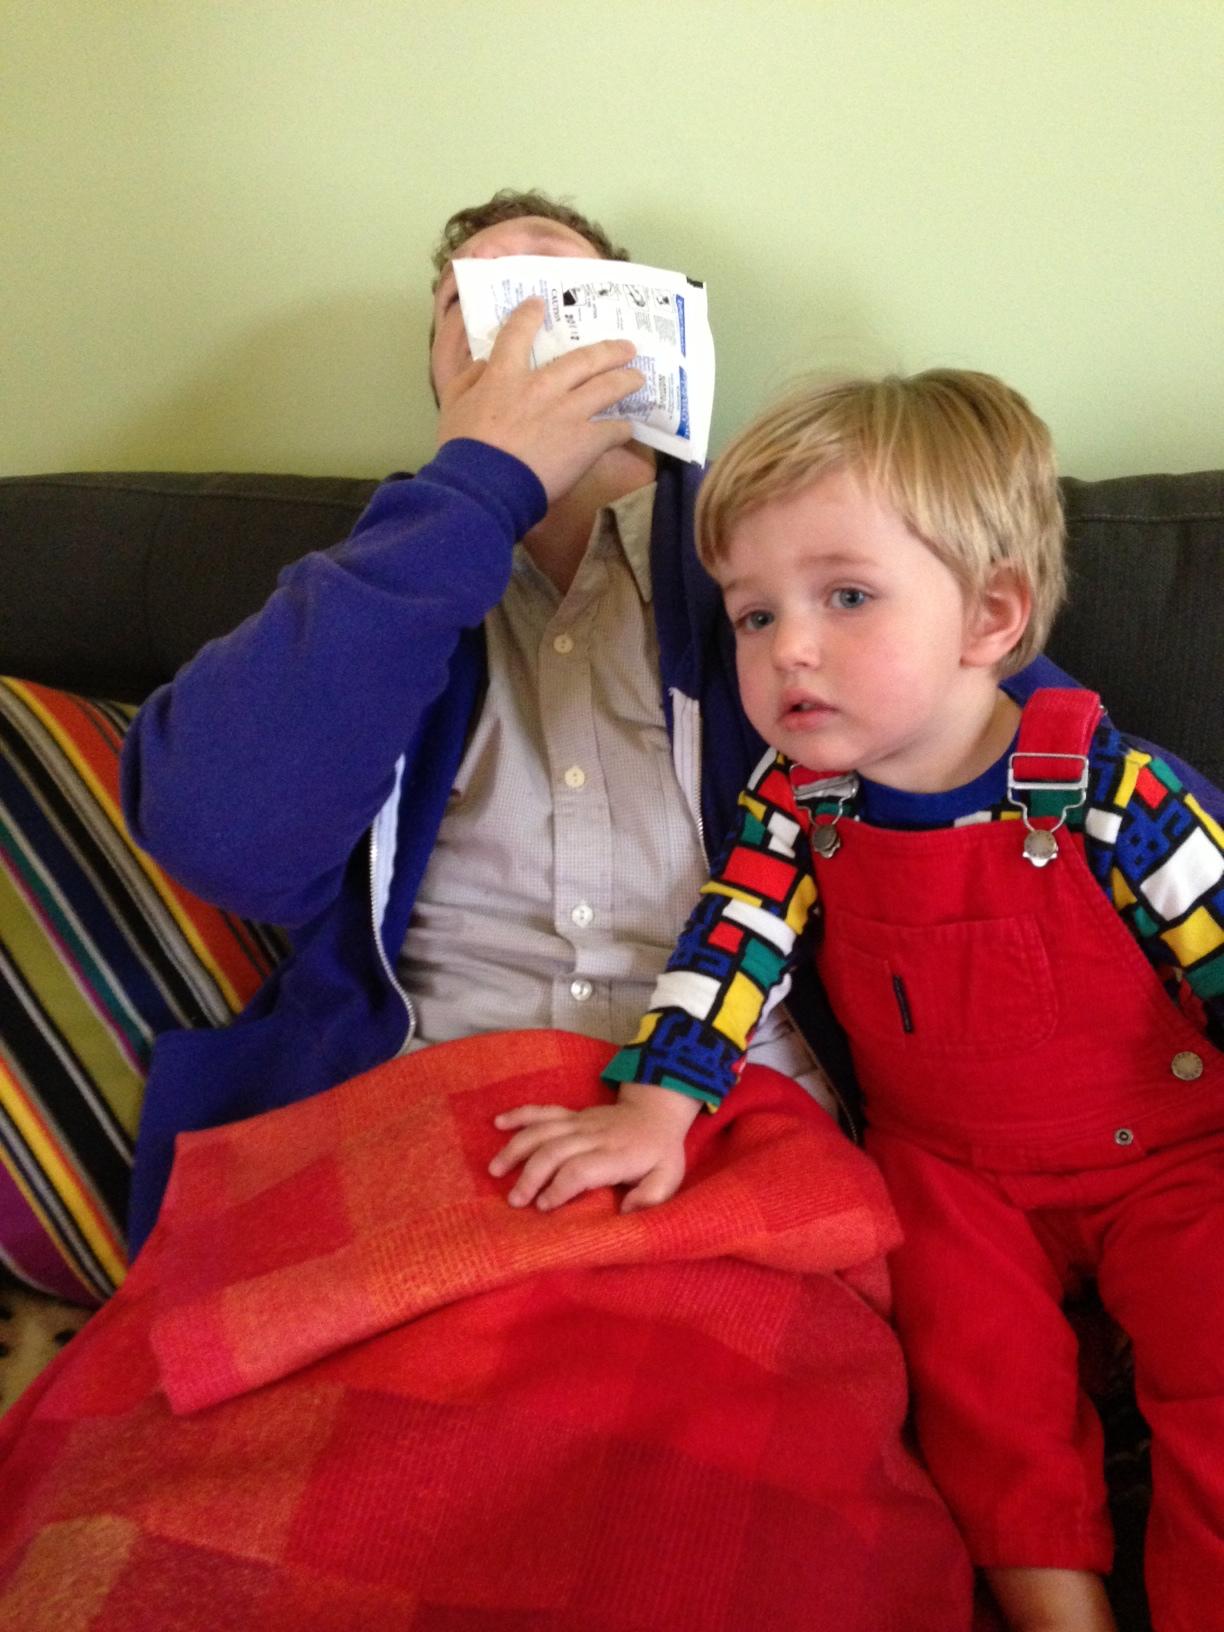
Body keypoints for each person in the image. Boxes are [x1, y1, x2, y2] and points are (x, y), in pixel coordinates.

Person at [488, 369, 1224, 1631]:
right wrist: (658, 1106)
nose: (789, 648)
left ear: (990, 614)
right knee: (977, 1392)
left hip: (1170, 1157)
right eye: (753, 613)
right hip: (949, 1174)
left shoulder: (1114, 790)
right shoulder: (796, 802)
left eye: (845, 596)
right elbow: (735, 943)